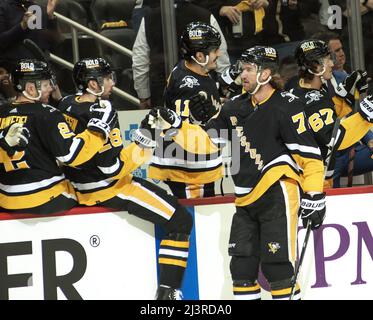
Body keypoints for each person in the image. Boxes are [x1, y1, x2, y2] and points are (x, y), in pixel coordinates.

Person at [150, 46, 326, 300]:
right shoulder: (234, 107)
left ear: (265, 73)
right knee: (241, 270)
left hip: (277, 194)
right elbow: (207, 143)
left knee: (277, 269)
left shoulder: (286, 106)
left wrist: (314, 194)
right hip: (244, 200)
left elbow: (309, 157)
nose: (241, 74)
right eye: (242, 69)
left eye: (248, 69)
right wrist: (177, 127)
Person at [57, 57, 193, 300]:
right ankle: (167, 293)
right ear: (92, 84)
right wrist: (147, 138)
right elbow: (112, 168)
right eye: (107, 78)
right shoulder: (104, 110)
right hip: (107, 189)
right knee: (181, 220)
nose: (112, 83)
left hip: (77, 186)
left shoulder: (66, 104)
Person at [0, 58, 115, 214]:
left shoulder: (3, 111)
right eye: (46, 84)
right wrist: (99, 129)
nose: (51, 88)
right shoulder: (47, 114)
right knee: (92, 191)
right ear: (31, 89)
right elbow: (72, 155)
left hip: (6, 198)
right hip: (44, 197)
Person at [148, 22, 224, 199]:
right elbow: (182, 133)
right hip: (189, 169)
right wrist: (198, 122)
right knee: (197, 220)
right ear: (199, 55)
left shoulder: (189, 68)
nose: (218, 54)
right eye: (214, 50)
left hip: (186, 164)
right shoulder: (189, 86)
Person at [291, 39, 373, 188]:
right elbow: (335, 139)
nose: (331, 64)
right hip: (314, 182)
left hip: (317, 172)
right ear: (316, 67)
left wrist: (345, 97)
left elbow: (330, 117)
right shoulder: (311, 101)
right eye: (327, 60)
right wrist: (365, 114)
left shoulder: (306, 91)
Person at [132, 0, 230, 108]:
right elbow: (221, 56)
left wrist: (144, 95)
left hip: (162, 90)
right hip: (202, 90)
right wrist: (226, 88)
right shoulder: (205, 15)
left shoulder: (149, 18)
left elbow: (139, 60)